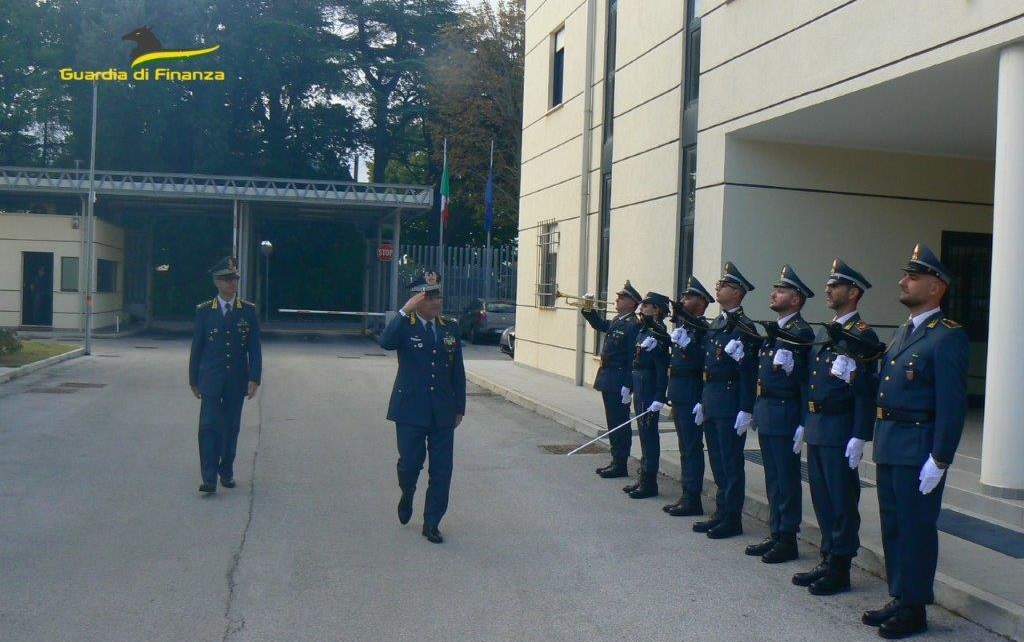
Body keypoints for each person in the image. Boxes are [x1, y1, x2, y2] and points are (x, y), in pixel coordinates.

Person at [861, 244, 968, 639]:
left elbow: (952, 404)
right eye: (905, 275)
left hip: (919, 446)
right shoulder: (903, 331)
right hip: (890, 442)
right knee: (893, 525)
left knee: (916, 528)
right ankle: (899, 594)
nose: (903, 282)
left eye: (913, 276)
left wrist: (940, 458)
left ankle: (915, 607)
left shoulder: (947, 338)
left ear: (936, 287)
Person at [793, 259, 879, 595]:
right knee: (822, 496)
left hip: (841, 427)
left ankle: (841, 566)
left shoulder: (862, 335)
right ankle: (828, 556)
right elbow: (809, 382)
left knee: (842, 498)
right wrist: (804, 422)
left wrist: (860, 433)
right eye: (829, 285)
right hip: (818, 424)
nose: (828, 290)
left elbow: (867, 389)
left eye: (836, 285)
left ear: (853, 292)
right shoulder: (824, 331)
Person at [379, 270, 466, 544]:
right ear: (417, 299)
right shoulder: (405, 324)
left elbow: (457, 371)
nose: (437, 302)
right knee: (410, 464)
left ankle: (432, 522)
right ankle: (407, 493)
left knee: (442, 469)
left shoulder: (450, 326)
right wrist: (403, 312)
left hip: (442, 410)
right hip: (410, 410)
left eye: (438, 296)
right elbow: (385, 342)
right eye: (430, 297)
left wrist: (459, 406)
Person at [745, 265, 815, 564]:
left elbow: (803, 381)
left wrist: (803, 422)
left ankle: (788, 537)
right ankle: (776, 532)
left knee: (786, 478)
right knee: (773, 477)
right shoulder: (776, 332)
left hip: (786, 413)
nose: (774, 294)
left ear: (796, 300)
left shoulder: (801, 332)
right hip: (768, 411)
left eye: (782, 290)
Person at [693, 262, 761, 540]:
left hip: (731, 400)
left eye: (724, 285)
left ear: (737, 293)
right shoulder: (719, 322)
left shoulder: (745, 326)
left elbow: (749, 371)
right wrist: (701, 399)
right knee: (718, 460)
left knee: (731, 462)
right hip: (713, 398)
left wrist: (746, 407)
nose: (717, 288)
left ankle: (732, 517)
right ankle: (721, 512)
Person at [188, 257, 262, 494]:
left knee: (231, 428)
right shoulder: (204, 312)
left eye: (235, 278)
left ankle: (226, 471)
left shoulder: (247, 311)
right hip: (210, 379)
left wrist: (254, 378)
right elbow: (197, 347)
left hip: (236, 379)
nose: (233, 283)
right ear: (216, 282)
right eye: (228, 279)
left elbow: (254, 348)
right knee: (208, 427)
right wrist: (193, 379)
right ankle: (208, 477)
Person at [581, 281, 643, 479]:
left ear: (633, 303)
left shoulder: (633, 325)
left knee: (619, 423)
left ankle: (620, 462)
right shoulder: (619, 319)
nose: (617, 299)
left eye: (622, 297)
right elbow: (601, 325)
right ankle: (616, 459)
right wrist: (588, 309)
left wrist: (628, 384)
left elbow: (631, 357)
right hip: (608, 377)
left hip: (618, 380)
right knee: (612, 421)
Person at [663, 277, 713, 517]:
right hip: (680, 394)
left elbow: (704, 363)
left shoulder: (704, 329)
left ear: (702, 303)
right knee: (685, 448)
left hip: (693, 395)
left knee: (692, 447)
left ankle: (692, 498)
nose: (683, 301)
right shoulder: (687, 327)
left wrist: (701, 401)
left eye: (688, 297)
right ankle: (687, 495)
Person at [621, 292, 671, 499]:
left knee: (649, 434)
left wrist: (660, 395)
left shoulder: (659, 334)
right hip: (640, 384)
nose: (642, 308)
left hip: (650, 386)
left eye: (647, 305)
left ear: (657, 310)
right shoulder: (644, 330)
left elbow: (661, 368)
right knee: (643, 433)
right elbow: (635, 360)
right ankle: (644, 477)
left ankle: (649, 482)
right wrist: (628, 385)